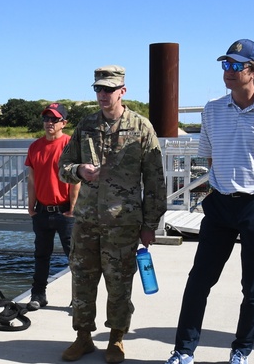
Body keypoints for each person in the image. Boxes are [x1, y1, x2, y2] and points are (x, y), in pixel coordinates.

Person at [164, 39, 254, 364]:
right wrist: (217, 189)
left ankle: (241, 350)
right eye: (226, 64)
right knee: (199, 280)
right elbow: (207, 157)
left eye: (237, 66)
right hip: (220, 203)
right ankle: (183, 350)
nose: (229, 71)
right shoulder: (212, 109)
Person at [58, 65, 167, 363]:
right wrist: (79, 170)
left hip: (123, 223)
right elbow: (63, 168)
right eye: (98, 89)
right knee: (82, 280)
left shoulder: (141, 127)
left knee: (119, 283)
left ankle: (117, 338)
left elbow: (155, 180)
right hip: (87, 221)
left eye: (109, 89)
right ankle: (83, 337)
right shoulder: (86, 125)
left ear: (123, 91)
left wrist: (151, 224)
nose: (103, 95)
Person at [25, 103, 80, 311]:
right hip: (42, 211)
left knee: (74, 257)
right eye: (46, 119)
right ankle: (38, 295)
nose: (49, 123)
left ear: (63, 123)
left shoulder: (70, 145)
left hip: (66, 211)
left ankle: (78, 299)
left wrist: (73, 207)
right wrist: (31, 206)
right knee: (41, 256)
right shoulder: (35, 146)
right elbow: (32, 179)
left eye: (54, 119)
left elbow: (76, 179)